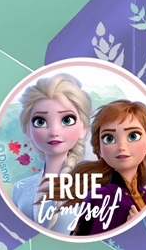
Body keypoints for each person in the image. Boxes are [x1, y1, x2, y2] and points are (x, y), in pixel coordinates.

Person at [9, 74, 91, 234]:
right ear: (27, 131)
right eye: (40, 121)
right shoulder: (20, 189)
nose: (54, 131)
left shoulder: (93, 187)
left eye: (67, 120)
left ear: (83, 128)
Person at [69, 100, 146, 236]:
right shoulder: (100, 197)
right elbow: (85, 244)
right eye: (109, 138)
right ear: (99, 149)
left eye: (133, 136)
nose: (121, 146)